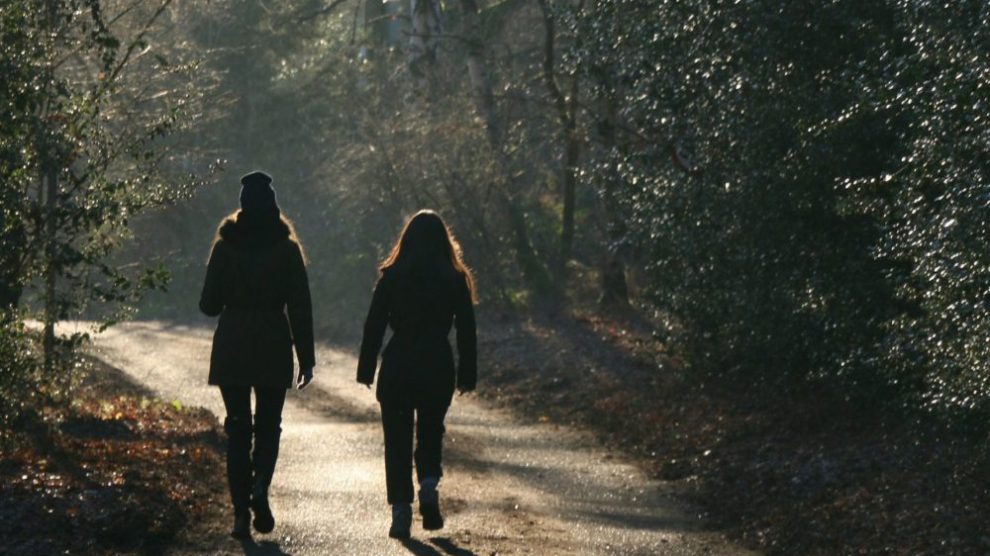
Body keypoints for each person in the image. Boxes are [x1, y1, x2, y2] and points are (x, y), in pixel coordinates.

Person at [199, 171, 315, 539]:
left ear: (243, 204)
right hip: (272, 343)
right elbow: (300, 307)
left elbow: (208, 305)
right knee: (268, 426)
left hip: (233, 343)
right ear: (273, 205)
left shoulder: (225, 245)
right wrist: (306, 357)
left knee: (237, 427)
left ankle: (238, 516)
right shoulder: (287, 249)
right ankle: (261, 485)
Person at [357, 209, 477, 539]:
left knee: (396, 439)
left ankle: (400, 511)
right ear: (443, 242)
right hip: (437, 364)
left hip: (398, 364)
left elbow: (374, 324)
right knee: (430, 431)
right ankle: (427, 485)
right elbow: (467, 329)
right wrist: (467, 373)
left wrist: (366, 368)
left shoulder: (392, 276)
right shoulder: (455, 279)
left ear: (406, 240)